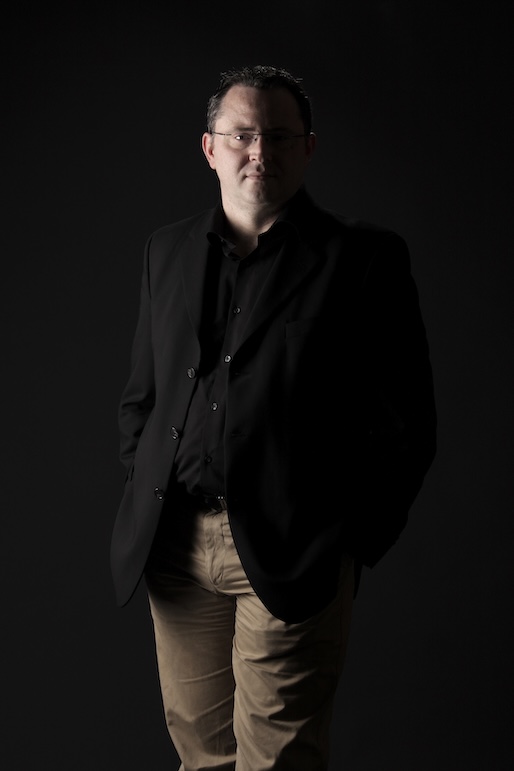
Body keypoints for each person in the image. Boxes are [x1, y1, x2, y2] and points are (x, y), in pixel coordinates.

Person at [110, 64, 437, 770]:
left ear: (308, 147)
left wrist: (346, 542)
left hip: (297, 548)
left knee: (278, 757)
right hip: (175, 546)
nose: (260, 151)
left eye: (280, 136)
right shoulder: (165, 251)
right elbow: (144, 397)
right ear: (210, 147)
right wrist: (145, 484)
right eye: (243, 135)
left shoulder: (363, 259)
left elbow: (406, 424)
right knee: (200, 753)